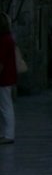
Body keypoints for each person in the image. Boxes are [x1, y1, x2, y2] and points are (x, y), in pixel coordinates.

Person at [0, 12, 17, 144]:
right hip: (6, 76)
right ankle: (5, 133)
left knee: (6, 106)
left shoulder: (4, 40)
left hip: (4, 77)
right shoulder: (8, 38)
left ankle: (9, 134)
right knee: (5, 106)